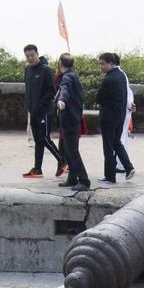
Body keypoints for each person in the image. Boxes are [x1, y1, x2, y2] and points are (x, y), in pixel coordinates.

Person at [20, 43, 64, 178]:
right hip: (32, 111)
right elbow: (28, 90)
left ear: (37, 54)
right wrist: (29, 106)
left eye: (32, 55)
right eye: (27, 56)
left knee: (44, 138)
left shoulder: (45, 70)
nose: (30, 58)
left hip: (44, 111)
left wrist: (40, 106)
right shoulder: (27, 69)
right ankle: (37, 169)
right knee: (38, 140)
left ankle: (62, 161)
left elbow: (52, 91)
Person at [96, 52, 135, 184]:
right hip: (119, 116)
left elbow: (99, 97)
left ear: (111, 64)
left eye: (103, 64)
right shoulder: (121, 75)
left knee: (108, 147)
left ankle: (110, 176)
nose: (101, 67)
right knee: (117, 143)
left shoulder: (109, 79)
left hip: (108, 118)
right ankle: (128, 167)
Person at [53, 53, 89, 190]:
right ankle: (72, 178)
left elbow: (65, 89)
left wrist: (61, 100)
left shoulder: (67, 77)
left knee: (72, 151)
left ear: (60, 64)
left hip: (69, 120)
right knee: (69, 151)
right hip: (73, 118)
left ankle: (84, 180)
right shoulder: (73, 75)